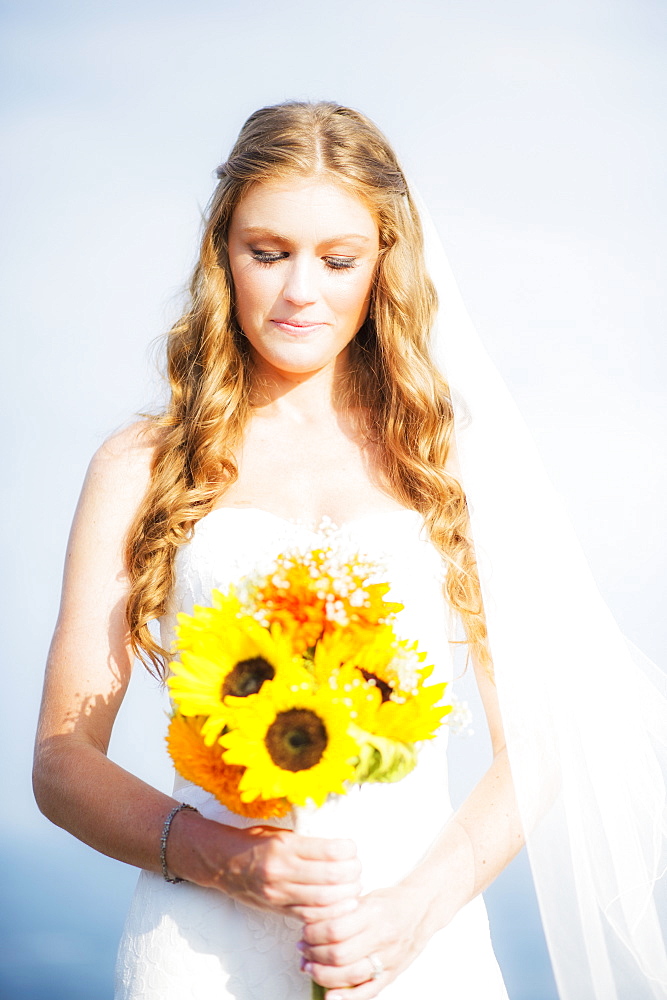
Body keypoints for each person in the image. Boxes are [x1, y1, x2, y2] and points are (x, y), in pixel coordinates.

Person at [33, 101, 667, 1000]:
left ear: (382, 264)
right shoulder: (139, 465)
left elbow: (538, 742)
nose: (300, 291)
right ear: (223, 253)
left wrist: (413, 912)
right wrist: (221, 859)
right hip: (201, 951)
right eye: (268, 252)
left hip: (416, 943)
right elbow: (62, 762)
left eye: (337, 260)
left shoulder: (445, 461)